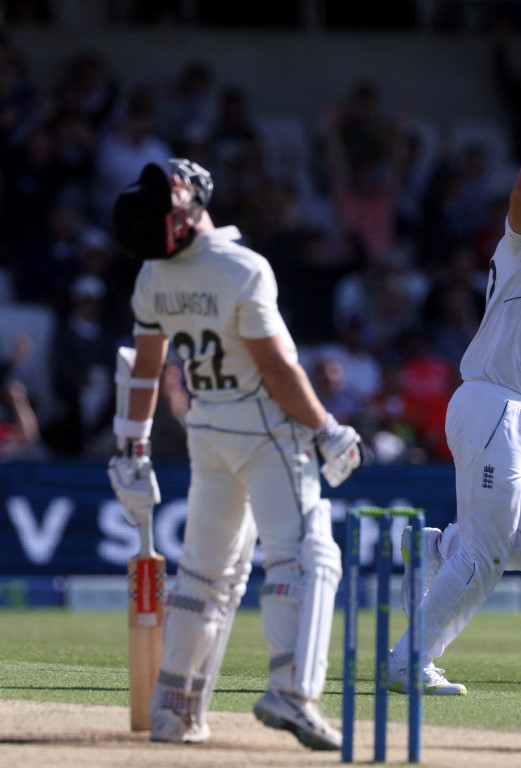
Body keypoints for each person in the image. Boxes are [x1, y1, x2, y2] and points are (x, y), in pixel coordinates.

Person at [106, 158, 364, 748]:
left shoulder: (152, 276)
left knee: (205, 573)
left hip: (209, 433)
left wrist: (132, 448)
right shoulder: (242, 267)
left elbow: (145, 371)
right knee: (305, 555)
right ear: (179, 216)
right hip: (267, 431)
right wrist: (327, 429)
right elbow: (276, 366)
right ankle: (293, 694)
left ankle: (174, 707)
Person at [385, 81, 521, 696]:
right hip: (489, 404)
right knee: (484, 559)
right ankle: (407, 662)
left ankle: (445, 545)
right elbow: (520, 190)